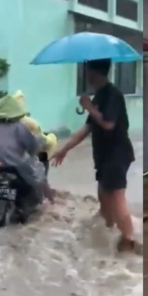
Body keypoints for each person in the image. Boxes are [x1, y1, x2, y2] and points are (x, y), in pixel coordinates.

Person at [51, 59, 136, 252]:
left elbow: (108, 124)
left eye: (87, 70)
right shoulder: (99, 96)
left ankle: (129, 239)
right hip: (105, 157)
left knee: (116, 196)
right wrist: (64, 149)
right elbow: (87, 128)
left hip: (117, 154)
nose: (85, 75)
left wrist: (89, 106)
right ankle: (108, 232)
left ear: (93, 72)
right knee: (103, 196)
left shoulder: (113, 95)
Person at [0, 94, 46, 207]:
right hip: (16, 166)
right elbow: (31, 146)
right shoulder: (20, 127)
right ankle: (39, 202)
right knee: (38, 171)